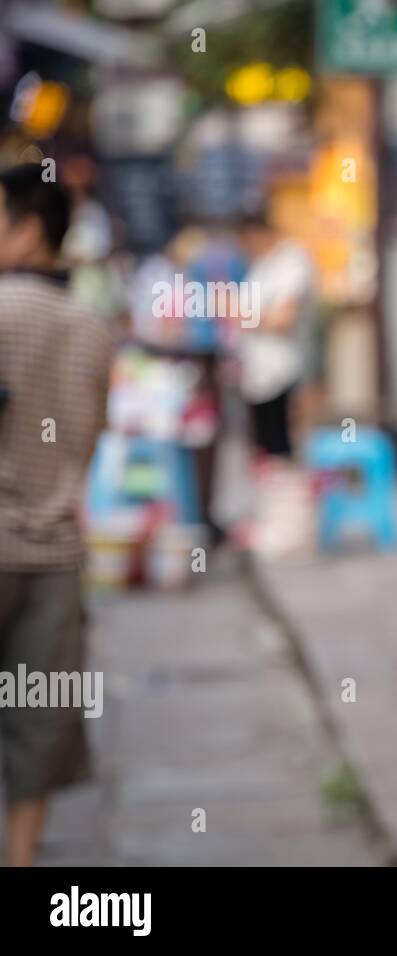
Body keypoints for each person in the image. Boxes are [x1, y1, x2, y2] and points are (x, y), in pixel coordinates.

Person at [0, 164, 112, 866]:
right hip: (54, 552)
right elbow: (91, 436)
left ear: (28, 229)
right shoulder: (93, 327)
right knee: (39, 718)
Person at [235, 207, 314, 460]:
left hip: (282, 372)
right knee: (263, 453)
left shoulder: (292, 261)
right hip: (256, 374)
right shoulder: (260, 264)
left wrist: (244, 317)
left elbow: (284, 318)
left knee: (281, 453)